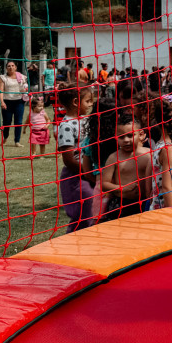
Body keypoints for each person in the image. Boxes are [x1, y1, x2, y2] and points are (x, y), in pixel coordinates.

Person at [100, 111, 153, 219]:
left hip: (144, 202)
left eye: (130, 135)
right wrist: (123, 188)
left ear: (141, 134)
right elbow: (104, 184)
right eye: (121, 137)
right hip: (121, 204)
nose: (126, 140)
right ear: (116, 137)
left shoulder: (149, 154)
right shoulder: (114, 157)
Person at [57, 83, 95, 232]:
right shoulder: (66, 125)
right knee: (83, 214)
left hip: (90, 172)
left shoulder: (86, 120)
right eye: (88, 101)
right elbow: (68, 159)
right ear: (75, 102)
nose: (91, 104)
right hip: (76, 176)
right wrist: (88, 172)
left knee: (95, 211)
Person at [0, 62, 29, 147]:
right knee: (7, 122)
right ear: (6, 68)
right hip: (7, 102)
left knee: (18, 122)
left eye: (12, 66)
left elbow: (24, 89)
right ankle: (5, 137)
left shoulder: (22, 77)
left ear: (15, 67)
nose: (11, 67)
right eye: (9, 66)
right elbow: (1, 91)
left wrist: (25, 90)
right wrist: (2, 102)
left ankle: (17, 141)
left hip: (19, 102)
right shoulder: (3, 78)